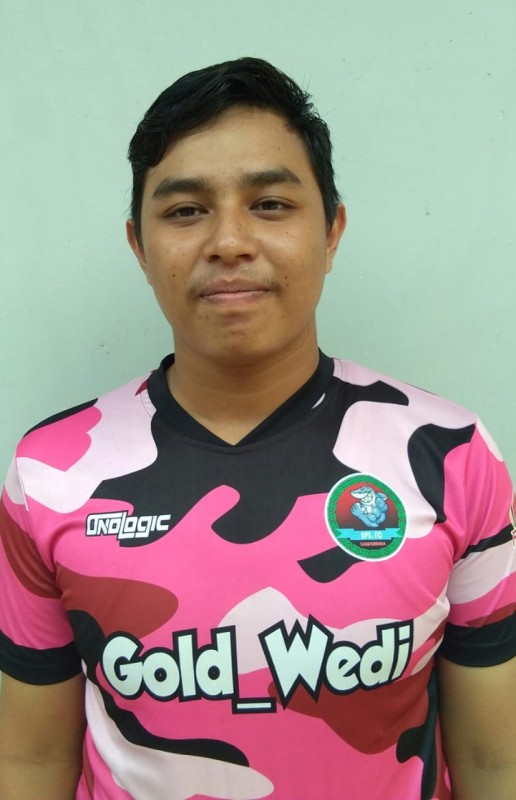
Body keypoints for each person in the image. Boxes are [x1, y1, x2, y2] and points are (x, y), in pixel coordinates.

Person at [0, 57, 514, 800]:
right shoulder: (48, 476)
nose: (230, 241)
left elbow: (495, 760)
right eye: (186, 211)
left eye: (270, 204)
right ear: (139, 246)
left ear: (331, 232)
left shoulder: (452, 455)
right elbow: (29, 760)